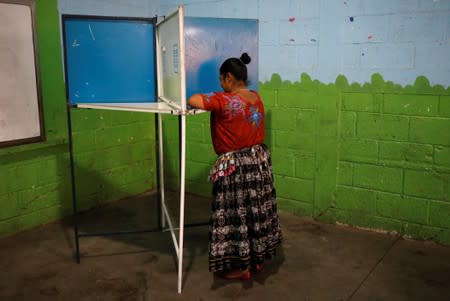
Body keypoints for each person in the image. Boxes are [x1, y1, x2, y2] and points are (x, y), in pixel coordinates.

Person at [188, 53, 282, 280]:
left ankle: (241, 267)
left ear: (228, 77)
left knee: (234, 216)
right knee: (253, 213)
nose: (220, 84)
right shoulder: (255, 97)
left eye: (221, 80)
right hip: (257, 163)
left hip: (236, 168)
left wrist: (218, 94)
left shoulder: (223, 100)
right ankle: (255, 260)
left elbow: (193, 100)